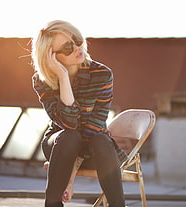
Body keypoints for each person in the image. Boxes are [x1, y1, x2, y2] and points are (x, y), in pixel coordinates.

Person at [31, 20, 127, 207]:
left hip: (95, 150)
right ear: (51, 56)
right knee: (69, 136)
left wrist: (71, 176)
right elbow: (68, 124)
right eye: (67, 47)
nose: (77, 47)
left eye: (76, 40)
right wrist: (63, 77)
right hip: (61, 147)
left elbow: (95, 125)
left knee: (100, 139)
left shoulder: (102, 74)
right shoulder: (41, 81)